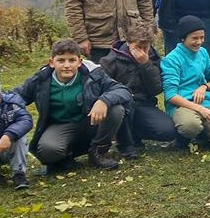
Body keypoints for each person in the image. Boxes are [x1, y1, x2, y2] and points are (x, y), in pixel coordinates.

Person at [14, 39, 132, 171]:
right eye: (61, 60)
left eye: (72, 60)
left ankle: (99, 151)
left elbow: (122, 90)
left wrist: (103, 101)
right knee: (47, 152)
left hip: (90, 121)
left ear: (79, 62)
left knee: (115, 109)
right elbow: (17, 96)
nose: (66, 65)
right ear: (51, 62)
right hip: (60, 126)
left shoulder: (93, 73)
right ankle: (67, 155)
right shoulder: (40, 79)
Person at [99, 21, 180, 152]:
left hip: (143, 105)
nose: (142, 51)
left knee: (168, 131)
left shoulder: (153, 57)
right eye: (138, 47)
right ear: (128, 42)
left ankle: (135, 132)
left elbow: (156, 89)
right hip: (121, 106)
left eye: (145, 47)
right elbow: (102, 89)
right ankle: (123, 139)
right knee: (120, 112)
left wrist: (145, 64)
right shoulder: (110, 60)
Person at [161, 15, 210, 147]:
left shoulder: (203, 53)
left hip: (205, 103)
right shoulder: (171, 60)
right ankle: (185, 135)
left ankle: (203, 133)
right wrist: (200, 110)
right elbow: (170, 95)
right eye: (194, 38)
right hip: (182, 105)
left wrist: (204, 86)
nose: (199, 42)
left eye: (202, 37)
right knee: (190, 126)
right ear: (183, 38)